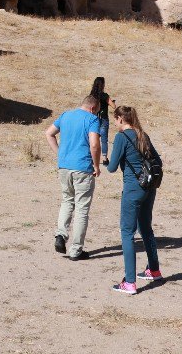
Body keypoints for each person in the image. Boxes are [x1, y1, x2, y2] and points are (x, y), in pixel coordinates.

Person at [107, 105, 163, 295]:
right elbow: (158, 161)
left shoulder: (121, 137)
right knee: (145, 228)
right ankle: (154, 269)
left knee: (127, 232)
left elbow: (112, 167)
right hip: (149, 188)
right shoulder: (143, 135)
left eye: (115, 120)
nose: (114, 123)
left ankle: (129, 282)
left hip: (133, 189)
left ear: (121, 119)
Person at [45, 94, 101, 261]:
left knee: (67, 201)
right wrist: (96, 165)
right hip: (83, 168)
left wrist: (60, 154)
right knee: (82, 208)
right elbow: (94, 144)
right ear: (92, 108)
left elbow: (49, 133)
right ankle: (76, 250)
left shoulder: (66, 115)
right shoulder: (92, 120)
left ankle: (61, 234)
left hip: (64, 166)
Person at [90, 76, 115, 165]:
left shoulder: (91, 95)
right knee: (104, 140)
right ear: (102, 85)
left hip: (94, 119)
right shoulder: (105, 96)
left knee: (93, 139)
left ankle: (92, 158)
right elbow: (114, 106)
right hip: (103, 119)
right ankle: (104, 159)